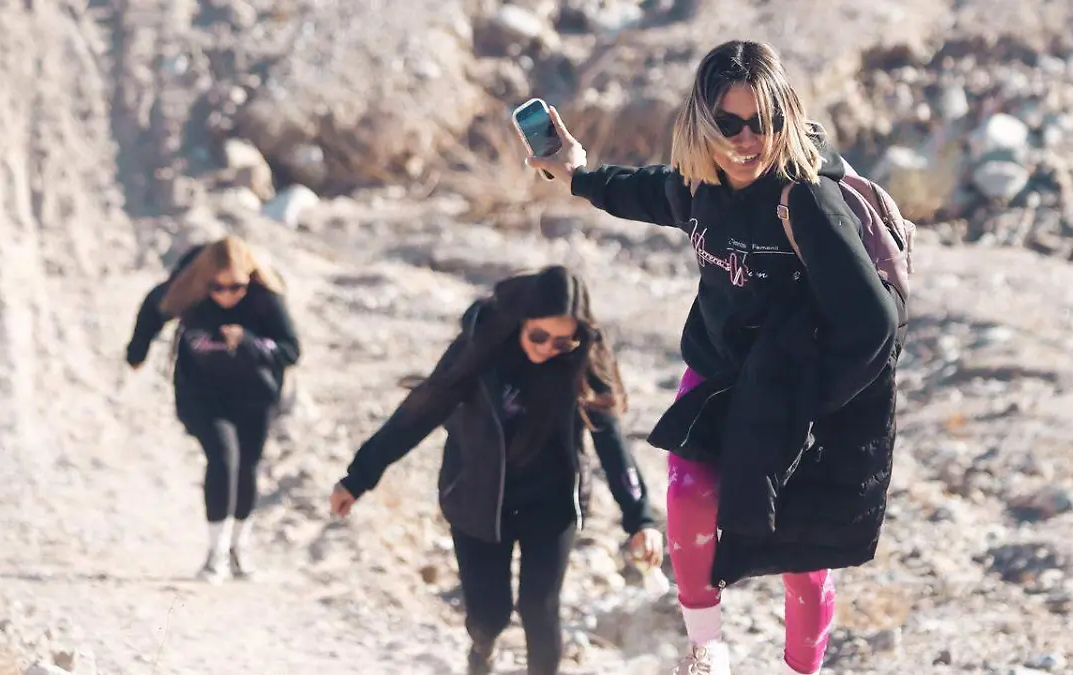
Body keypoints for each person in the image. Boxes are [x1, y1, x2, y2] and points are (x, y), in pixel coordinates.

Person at [525, 41, 904, 675]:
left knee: (803, 558)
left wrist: (814, 405)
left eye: (765, 121)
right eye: (730, 123)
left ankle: (800, 668)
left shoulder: (806, 202)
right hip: (723, 373)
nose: (748, 139)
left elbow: (876, 324)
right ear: (703, 122)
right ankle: (707, 647)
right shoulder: (701, 185)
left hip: (796, 386)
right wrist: (576, 173)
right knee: (688, 492)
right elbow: (646, 191)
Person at [328, 265, 665, 675]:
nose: (548, 348)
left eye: (562, 340)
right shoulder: (479, 350)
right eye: (538, 336)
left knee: (540, 607)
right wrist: (359, 477)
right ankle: (481, 651)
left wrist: (640, 519)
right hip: (477, 498)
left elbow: (612, 445)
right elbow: (417, 415)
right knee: (489, 616)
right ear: (520, 323)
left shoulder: (582, 363)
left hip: (551, 502)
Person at [125, 235, 301, 583]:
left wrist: (249, 343)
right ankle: (215, 553)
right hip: (202, 397)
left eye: (236, 287)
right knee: (223, 458)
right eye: (217, 287)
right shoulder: (190, 293)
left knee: (248, 466)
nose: (226, 295)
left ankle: (239, 547)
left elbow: (291, 350)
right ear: (204, 282)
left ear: (249, 277)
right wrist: (138, 349)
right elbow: (153, 307)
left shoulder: (265, 298)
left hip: (255, 396)